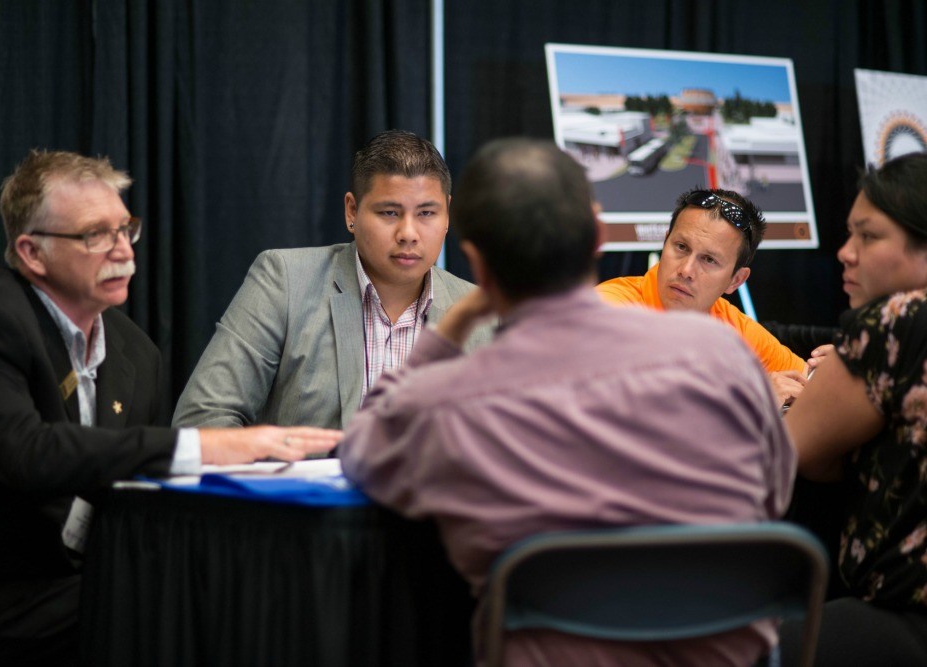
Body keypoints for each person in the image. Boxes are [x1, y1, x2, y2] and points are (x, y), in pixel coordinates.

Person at [339, 138, 795, 666]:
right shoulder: (727, 357)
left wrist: (451, 331)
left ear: (475, 262)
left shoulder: (451, 399)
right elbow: (774, 493)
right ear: (598, 234)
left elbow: (362, 452)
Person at [0, 150, 340, 665]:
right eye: (94, 235)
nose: (123, 252)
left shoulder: (135, 352)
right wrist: (208, 445)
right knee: (170, 617)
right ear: (32, 253)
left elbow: (130, 485)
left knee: (236, 597)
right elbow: (28, 453)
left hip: (89, 576)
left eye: (126, 230)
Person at [172, 129, 484, 432]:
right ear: (352, 210)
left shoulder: (481, 314)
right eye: (389, 212)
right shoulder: (285, 281)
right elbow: (202, 417)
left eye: (427, 213)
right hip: (302, 485)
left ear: (447, 216)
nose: (408, 234)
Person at [779, 152, 927, 666]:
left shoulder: (899, 318)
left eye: (868, 236)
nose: (845, 253)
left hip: (902, 616)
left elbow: (795, 448)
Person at [596, 188, 808, 406]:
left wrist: (838, 367)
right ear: (665, 242)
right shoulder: (610, 308)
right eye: (681, 247)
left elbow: (808, 385)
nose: (686, 270)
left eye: (708, 260)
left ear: (735, 280)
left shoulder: (734, 328)